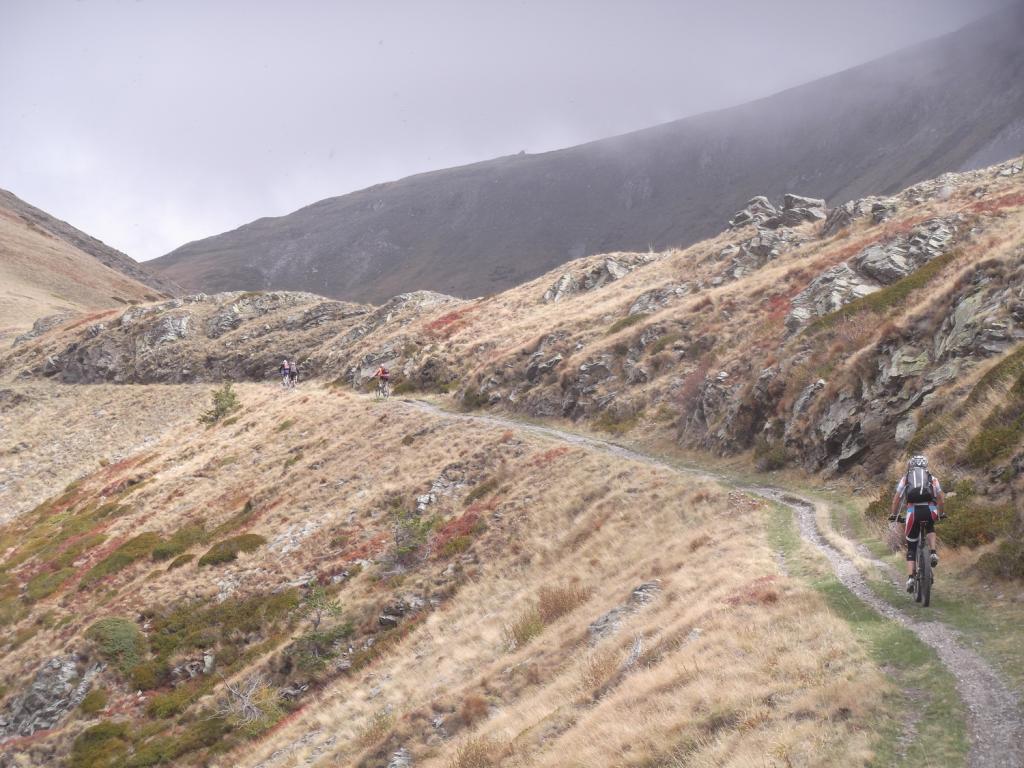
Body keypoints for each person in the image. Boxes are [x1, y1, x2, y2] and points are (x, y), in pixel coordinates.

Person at [889, 455, 945, 593]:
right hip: (929, 511)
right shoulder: (932, 478)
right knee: (930, 527)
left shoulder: (906, 478)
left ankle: (910, 579)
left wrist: (894, 515)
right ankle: (933, 552)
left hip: (913, 513)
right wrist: (941, 513)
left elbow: (896, 499)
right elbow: (940, 499)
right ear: (925, 466)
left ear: (911, 466)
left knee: (912, 547)